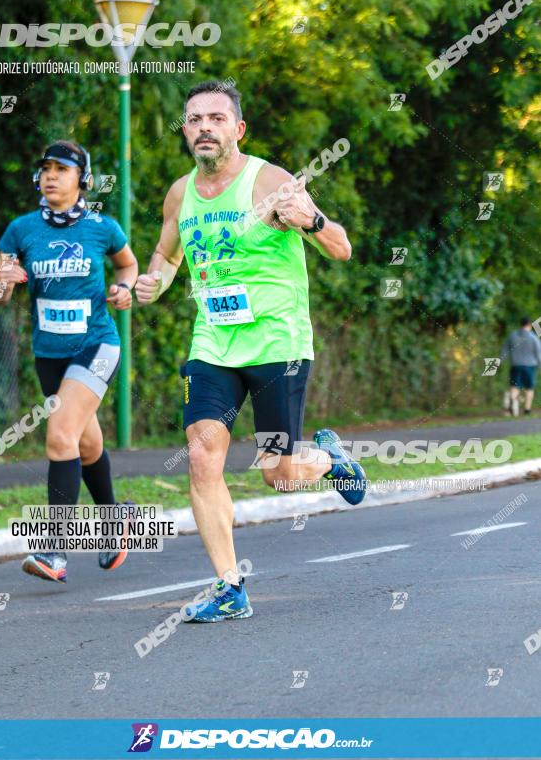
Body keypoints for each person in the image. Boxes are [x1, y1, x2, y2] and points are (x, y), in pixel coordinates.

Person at [135, 80, 367, 623]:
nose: (204, 128)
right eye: (194, 119)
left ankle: (328, 456)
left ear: (237, 130)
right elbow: (167, 257)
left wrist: (311, 220)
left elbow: (341, 247)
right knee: (201, 455)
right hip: (213, 342)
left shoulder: (271, 181)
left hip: (277, 343)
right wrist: (153, 282)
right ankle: (229, 587)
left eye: (217, 118)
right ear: (186, 131)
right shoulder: (179, 193)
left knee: (278, 473)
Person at [0, 141, 138, 582]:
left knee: (58, 436)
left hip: (96, 345)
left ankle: (54, 550)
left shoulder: (102, 228)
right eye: (46, 169)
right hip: (49, 355)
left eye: (63, 169)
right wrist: (5, 280)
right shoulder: (20, 231)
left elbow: (126, 266)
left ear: (82, 180)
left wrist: (125, 289)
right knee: (85, 443)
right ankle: (115, 520)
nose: (51, 176)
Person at [500, 317, 541, 417]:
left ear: (521, 324)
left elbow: (504, 351)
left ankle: (511, 406)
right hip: (530, 367)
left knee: (514, 387)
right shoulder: (534, 337)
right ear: (530, 325)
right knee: (529, 388)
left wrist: (499, 363)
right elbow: (539, 354)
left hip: (516, 366)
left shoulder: (512, 336)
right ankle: (527, 410)